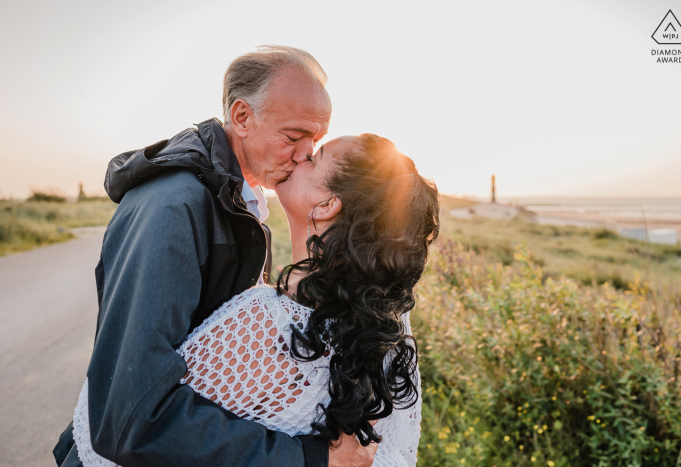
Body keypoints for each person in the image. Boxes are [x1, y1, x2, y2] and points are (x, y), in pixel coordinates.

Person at [54, 46, 376, 467]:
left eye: (314, 141)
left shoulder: (244, 202)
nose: (304, 156)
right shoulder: (174, 206)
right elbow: (130, 418)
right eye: (294, 137)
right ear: (241, 117)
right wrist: (305, 459)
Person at [71, 134, 440, 467]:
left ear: (327, 204)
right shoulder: (389, 329)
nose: (302, 155)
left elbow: (121, 433)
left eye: (314, 157)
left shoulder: (266, 320)